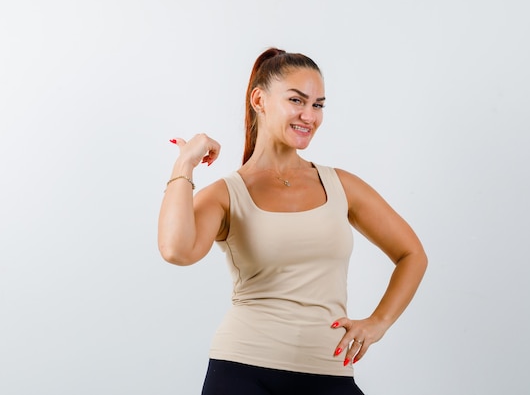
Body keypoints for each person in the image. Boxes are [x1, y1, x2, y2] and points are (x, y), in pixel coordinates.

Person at [158, 47, 427, 395]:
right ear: (260, 99)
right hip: (242, 372)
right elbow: (176, 250)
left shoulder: (341, 185)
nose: (310, 116)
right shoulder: (228, 194)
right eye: (297, 101)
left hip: (327, 374)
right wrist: (184, 165)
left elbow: (412, 254)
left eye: (318, 105)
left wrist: (379, 323)